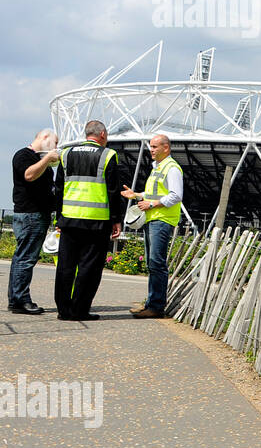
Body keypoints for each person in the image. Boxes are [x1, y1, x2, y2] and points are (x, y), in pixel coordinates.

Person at [53, 120, 124, 321]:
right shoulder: (108, 155)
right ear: (102, 134)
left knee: (66, 266)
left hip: (69, 219)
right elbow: (113, 191)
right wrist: (116, 220)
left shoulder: (66, 154)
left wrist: (59, 217)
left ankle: (63, 310)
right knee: (89, 267)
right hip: (96, 221)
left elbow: (58, 188)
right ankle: (79, 310)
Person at [120, 133, 183, 318]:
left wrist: (151, 204)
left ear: (166, 148)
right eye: (151, 146)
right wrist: (137, 196)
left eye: (155, 147)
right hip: (153, 218)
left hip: (162, 220)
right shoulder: (158, 168)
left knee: (157, 263)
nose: (151, 150)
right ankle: (150, 303)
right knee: (152, 263)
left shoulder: (172, 168)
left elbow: (175, 195)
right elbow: (154, 193)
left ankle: (156, 307)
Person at [9, 129, 59, 314]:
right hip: (30, 214)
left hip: (35, 214)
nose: (55, 148)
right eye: (54, 143)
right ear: (44, 138)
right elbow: (29, 175)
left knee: (21, 258)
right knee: (26, 259)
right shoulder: (24, 155)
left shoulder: (36, 158)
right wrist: (46, 160)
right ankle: (21, 299)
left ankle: (16, 298)